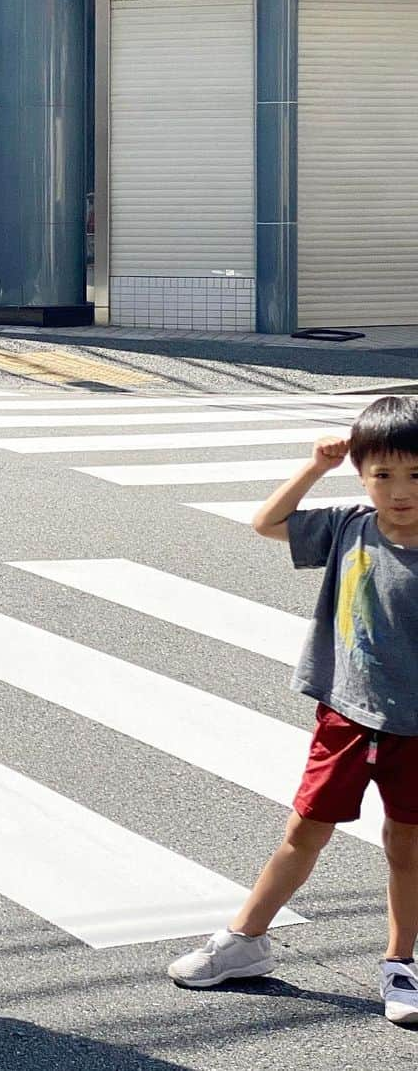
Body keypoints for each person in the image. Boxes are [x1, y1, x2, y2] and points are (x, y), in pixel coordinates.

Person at [167, 396, 418, 1025]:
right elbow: (267, 521)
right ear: (361, 474)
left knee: (408, 846)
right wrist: (312, 469)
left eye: (416, 475)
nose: (399, 491)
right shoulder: (347, 525)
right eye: (383, 474)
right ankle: (245, 940)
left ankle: (400, 964)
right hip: (345, 716)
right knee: (303, 831)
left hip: (417, 729)